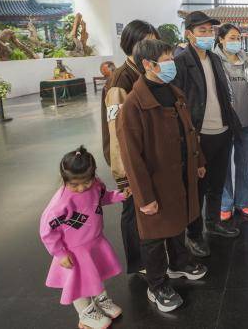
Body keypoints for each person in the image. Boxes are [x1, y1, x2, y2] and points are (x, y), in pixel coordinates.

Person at [117, 39, 208, 313]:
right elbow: (132, 157)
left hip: (179, 172)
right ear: (148, 64)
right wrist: (144, 197)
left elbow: (190, 131)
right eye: (167, 59)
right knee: (154, 234)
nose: (171, 64)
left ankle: (179, 262)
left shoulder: (173, 92)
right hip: (155, 181)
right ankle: (156, 285)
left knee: (178, 220)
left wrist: (199, 162)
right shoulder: (134, 105)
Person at [174, 11, 241, 258]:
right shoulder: (181, 62)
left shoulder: (214, 58)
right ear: (189, 34)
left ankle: (213, 223)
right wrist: (189, 137)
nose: (207, 35)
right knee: (197, 188)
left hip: (222, 130)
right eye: (202, 31)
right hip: (199, 134)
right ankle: (193, 234)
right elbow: (178, 103)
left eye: (210, 31)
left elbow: (222, 94)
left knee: (217, 183)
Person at [40, 146, 126, 329]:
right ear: (64, 180)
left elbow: (103, 197)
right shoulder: (61, 203)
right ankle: (86, 313)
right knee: (78, 282)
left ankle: (100, 300)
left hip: (94, 242)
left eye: (85, 182)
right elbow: (47, 231)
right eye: (74, 184)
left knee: (94, 273)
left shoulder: (95, 185)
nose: (81, 188)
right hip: (74, 251)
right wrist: (60, 254)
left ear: (93, 175)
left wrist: (119, 196)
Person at [101, 19, 159, 275]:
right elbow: (116, 133)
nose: (150, 47)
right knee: (132, 209)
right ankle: (139, 262)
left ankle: (151, 253)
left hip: (149, 153)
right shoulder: (120, 81)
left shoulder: (148, 71)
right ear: (129, 44)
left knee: (146, 206)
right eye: (144, 42)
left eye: (153, 41)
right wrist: (124, 174)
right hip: (130, 157)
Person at [214, 24, 248, 221]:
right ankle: (225, 203)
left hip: (245, 124)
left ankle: (243, 202)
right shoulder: (214, 62)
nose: (235, 41)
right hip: (223, 124)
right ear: (221, 39)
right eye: (231, 37)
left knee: (244, 165)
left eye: (238, 38)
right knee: (223, 166)